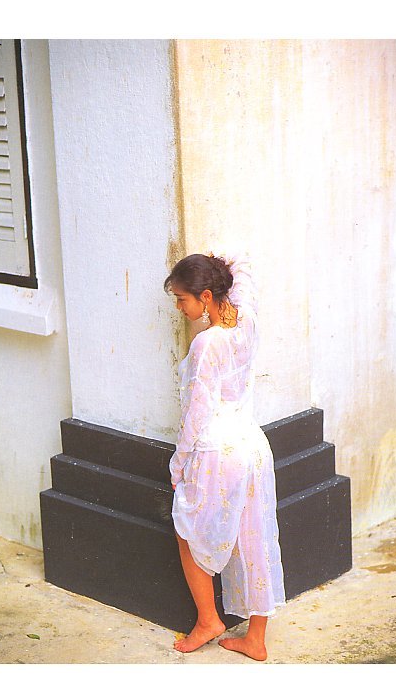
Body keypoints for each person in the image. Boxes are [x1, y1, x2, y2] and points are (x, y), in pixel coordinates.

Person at [164, 248, 286, 659]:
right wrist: (218, 266)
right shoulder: (246, 320)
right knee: (255, 538)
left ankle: (208, 620)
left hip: (217, 450)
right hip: (252, 445)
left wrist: (177, 466)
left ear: (206, 297)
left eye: (182, 299)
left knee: (187, 530)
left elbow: (196, 414)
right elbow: (243, 264)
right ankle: (256, 638)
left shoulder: (207, 343)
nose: (180, 308)